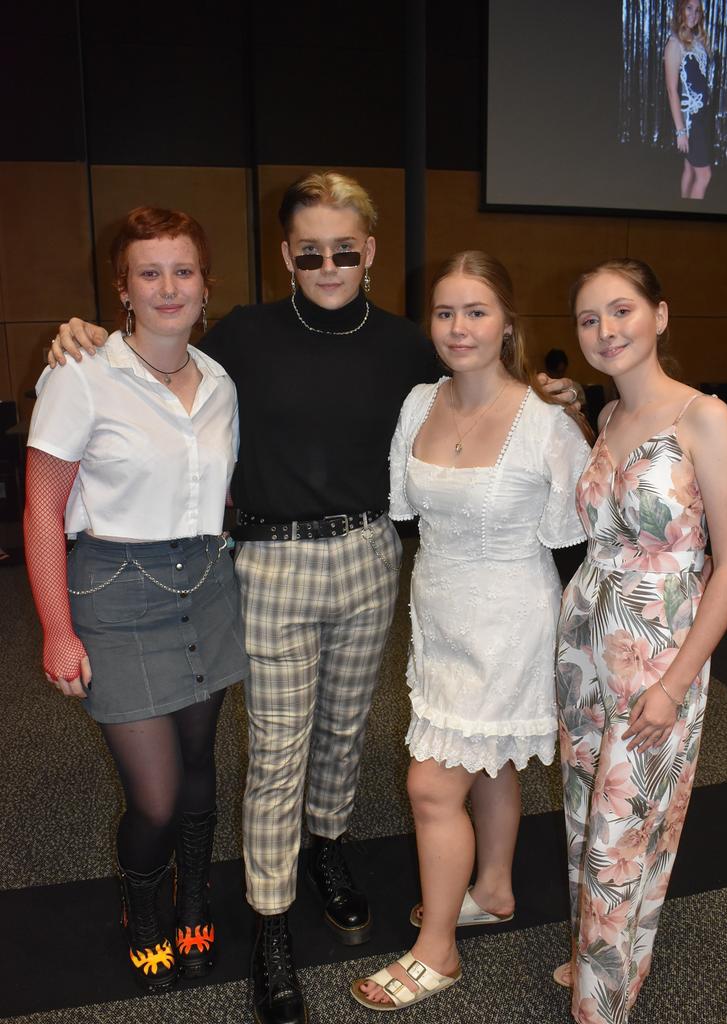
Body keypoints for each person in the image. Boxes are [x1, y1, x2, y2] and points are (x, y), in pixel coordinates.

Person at [46, 173, 582, 1024]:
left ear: (368, 253)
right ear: (286, 255)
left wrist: (553, 398)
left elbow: (485, 382)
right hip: (269, 564)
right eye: (308, 251)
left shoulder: (412, 344)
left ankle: (326, 846)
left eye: (343, 249)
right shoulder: (244, 340)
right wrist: (84, 332)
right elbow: (156, 351)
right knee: (276, 753)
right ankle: (269, 922)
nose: (327, 264)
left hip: (370, 555)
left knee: (342, 731)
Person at [349, 251, 593, 1010]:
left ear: (507, 323)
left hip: (512, 617)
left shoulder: (544, 421)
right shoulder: (419, 400)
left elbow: (602, 507)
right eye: (446, 312)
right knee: (488, 763)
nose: (459, 327)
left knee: (431, 784)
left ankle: (439, 949)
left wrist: (702, 562)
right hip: (441, 612)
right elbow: (404, 506)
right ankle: (490, 888)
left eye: (476, 311)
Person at [24, 207, 247, 989]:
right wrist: (57, 629)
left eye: (182, 270)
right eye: (149, 273)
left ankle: (195, 905)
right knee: (152, 797)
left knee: (197, 767)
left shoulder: (219, 383)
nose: (167, 287)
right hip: (115, 594)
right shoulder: (79, 376)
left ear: (205, 285)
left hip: (207, 587)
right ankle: (144, 909)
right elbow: (42, 509)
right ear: (123, 288)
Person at [555, 258, 727, 1023]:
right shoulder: (605, 420)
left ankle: (601, 1007)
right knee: (584, 816)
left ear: (660, 316)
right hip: (583, 639)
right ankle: (599, 963)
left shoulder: (703, 417)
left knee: (623, 833)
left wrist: (673, 685)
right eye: (588, 319)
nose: (606, 330)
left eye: (622, 311)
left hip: (657, 653)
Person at [664, 0, 713, 200]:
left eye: (698, 10)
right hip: (690, 122)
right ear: (681, 9)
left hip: (701, 117)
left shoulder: (697, 40)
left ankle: (682, 209)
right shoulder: (674, 43)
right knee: (704, 175)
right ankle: (694, 221)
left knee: (690, 168)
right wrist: (681, 131)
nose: (694, 14)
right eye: (689, 8)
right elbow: (671, 90)